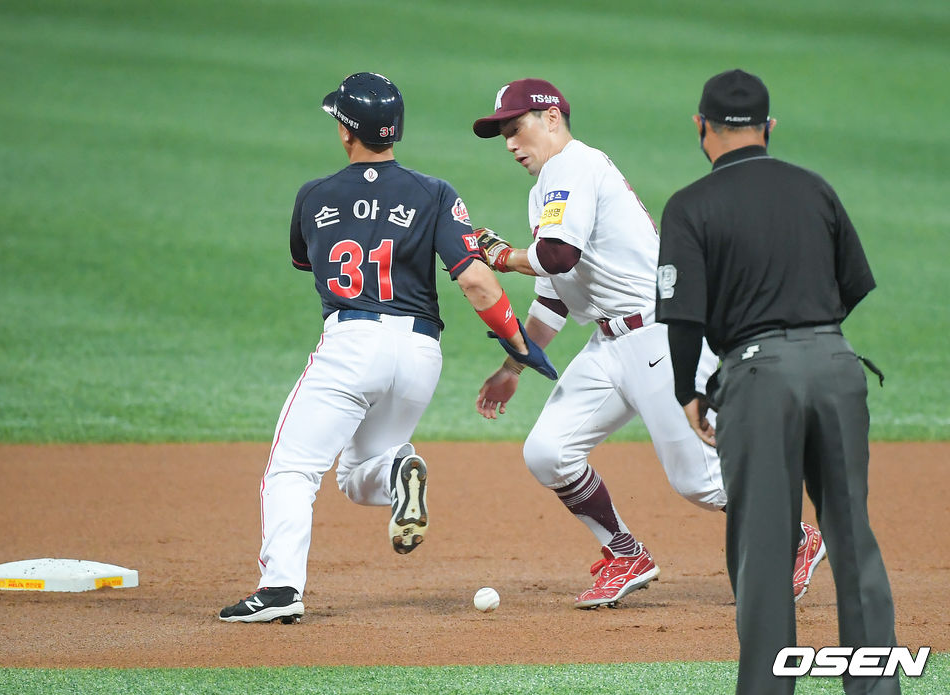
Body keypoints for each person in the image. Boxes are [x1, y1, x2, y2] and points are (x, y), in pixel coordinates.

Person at [470, 78, 826, 609]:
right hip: (609, 344)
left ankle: (798, 538)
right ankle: (624, 554)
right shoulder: (544, 189)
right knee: (548, 452)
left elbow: (557, 255)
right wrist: (514, 365)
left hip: (659, 334)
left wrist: (502, 257)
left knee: (700, 482)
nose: (511, 144)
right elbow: (555, 294)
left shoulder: (575, 166)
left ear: (551, 118)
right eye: (502, 134)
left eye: (516, 128)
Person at [220, 72, 556, 624]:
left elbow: (306, 261)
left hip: (352, 345)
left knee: (292, 470)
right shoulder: (436, 192)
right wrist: (517, 346)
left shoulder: (314, 196)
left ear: (346, 131)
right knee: (358, 475)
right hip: (420, 356)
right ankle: (399, 468)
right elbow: (476, 282)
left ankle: (280, 589)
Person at [656, 69, 899, 694]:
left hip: (761, 380)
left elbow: (682, 318)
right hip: (838, 369)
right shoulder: (814, 188)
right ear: (768, 128)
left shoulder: (690, 205)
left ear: (701, 127)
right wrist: (810, 340)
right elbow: (851, 287)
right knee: (852, 540)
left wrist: (690, 390)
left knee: (764, 549)